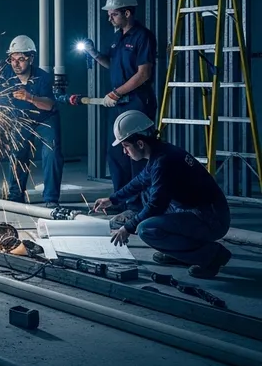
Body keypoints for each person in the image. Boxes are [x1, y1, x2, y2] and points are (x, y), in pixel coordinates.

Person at [94, 110, 231, 279]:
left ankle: (211, 255)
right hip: (201, 210)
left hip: (211, 219)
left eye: (126, 146)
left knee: (147, 228)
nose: (125, 152)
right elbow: (139, 181)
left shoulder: (163, 162)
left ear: (140, 144)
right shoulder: (160, 153)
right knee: (146, 193)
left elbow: (156, 205)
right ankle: (182, 254)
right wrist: (112, 199)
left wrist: (127, 228)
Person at [82, 0, 157, 211]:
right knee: (116, 153)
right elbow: (111, 64)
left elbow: (143, 73)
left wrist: (116, 93)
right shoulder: (118, 38)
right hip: (119, 103)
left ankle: (138, 206)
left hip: (136, 102)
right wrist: (94, 54)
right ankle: (121, 200)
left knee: (136, 154)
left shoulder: (143, 36)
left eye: (113, 13)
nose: (109, 17)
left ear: (127, 13)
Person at [1, 35, 64, 208]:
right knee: (17, 153)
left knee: (51, 153)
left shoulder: (43, 77)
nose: (16, 63)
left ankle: (51, 199)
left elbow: (50, 104)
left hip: (46, 118)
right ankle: (15, 196)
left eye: (21, 59)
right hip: (21, 119)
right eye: (12, 59)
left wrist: (30, 97)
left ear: (31, 59)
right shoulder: (6, 75)